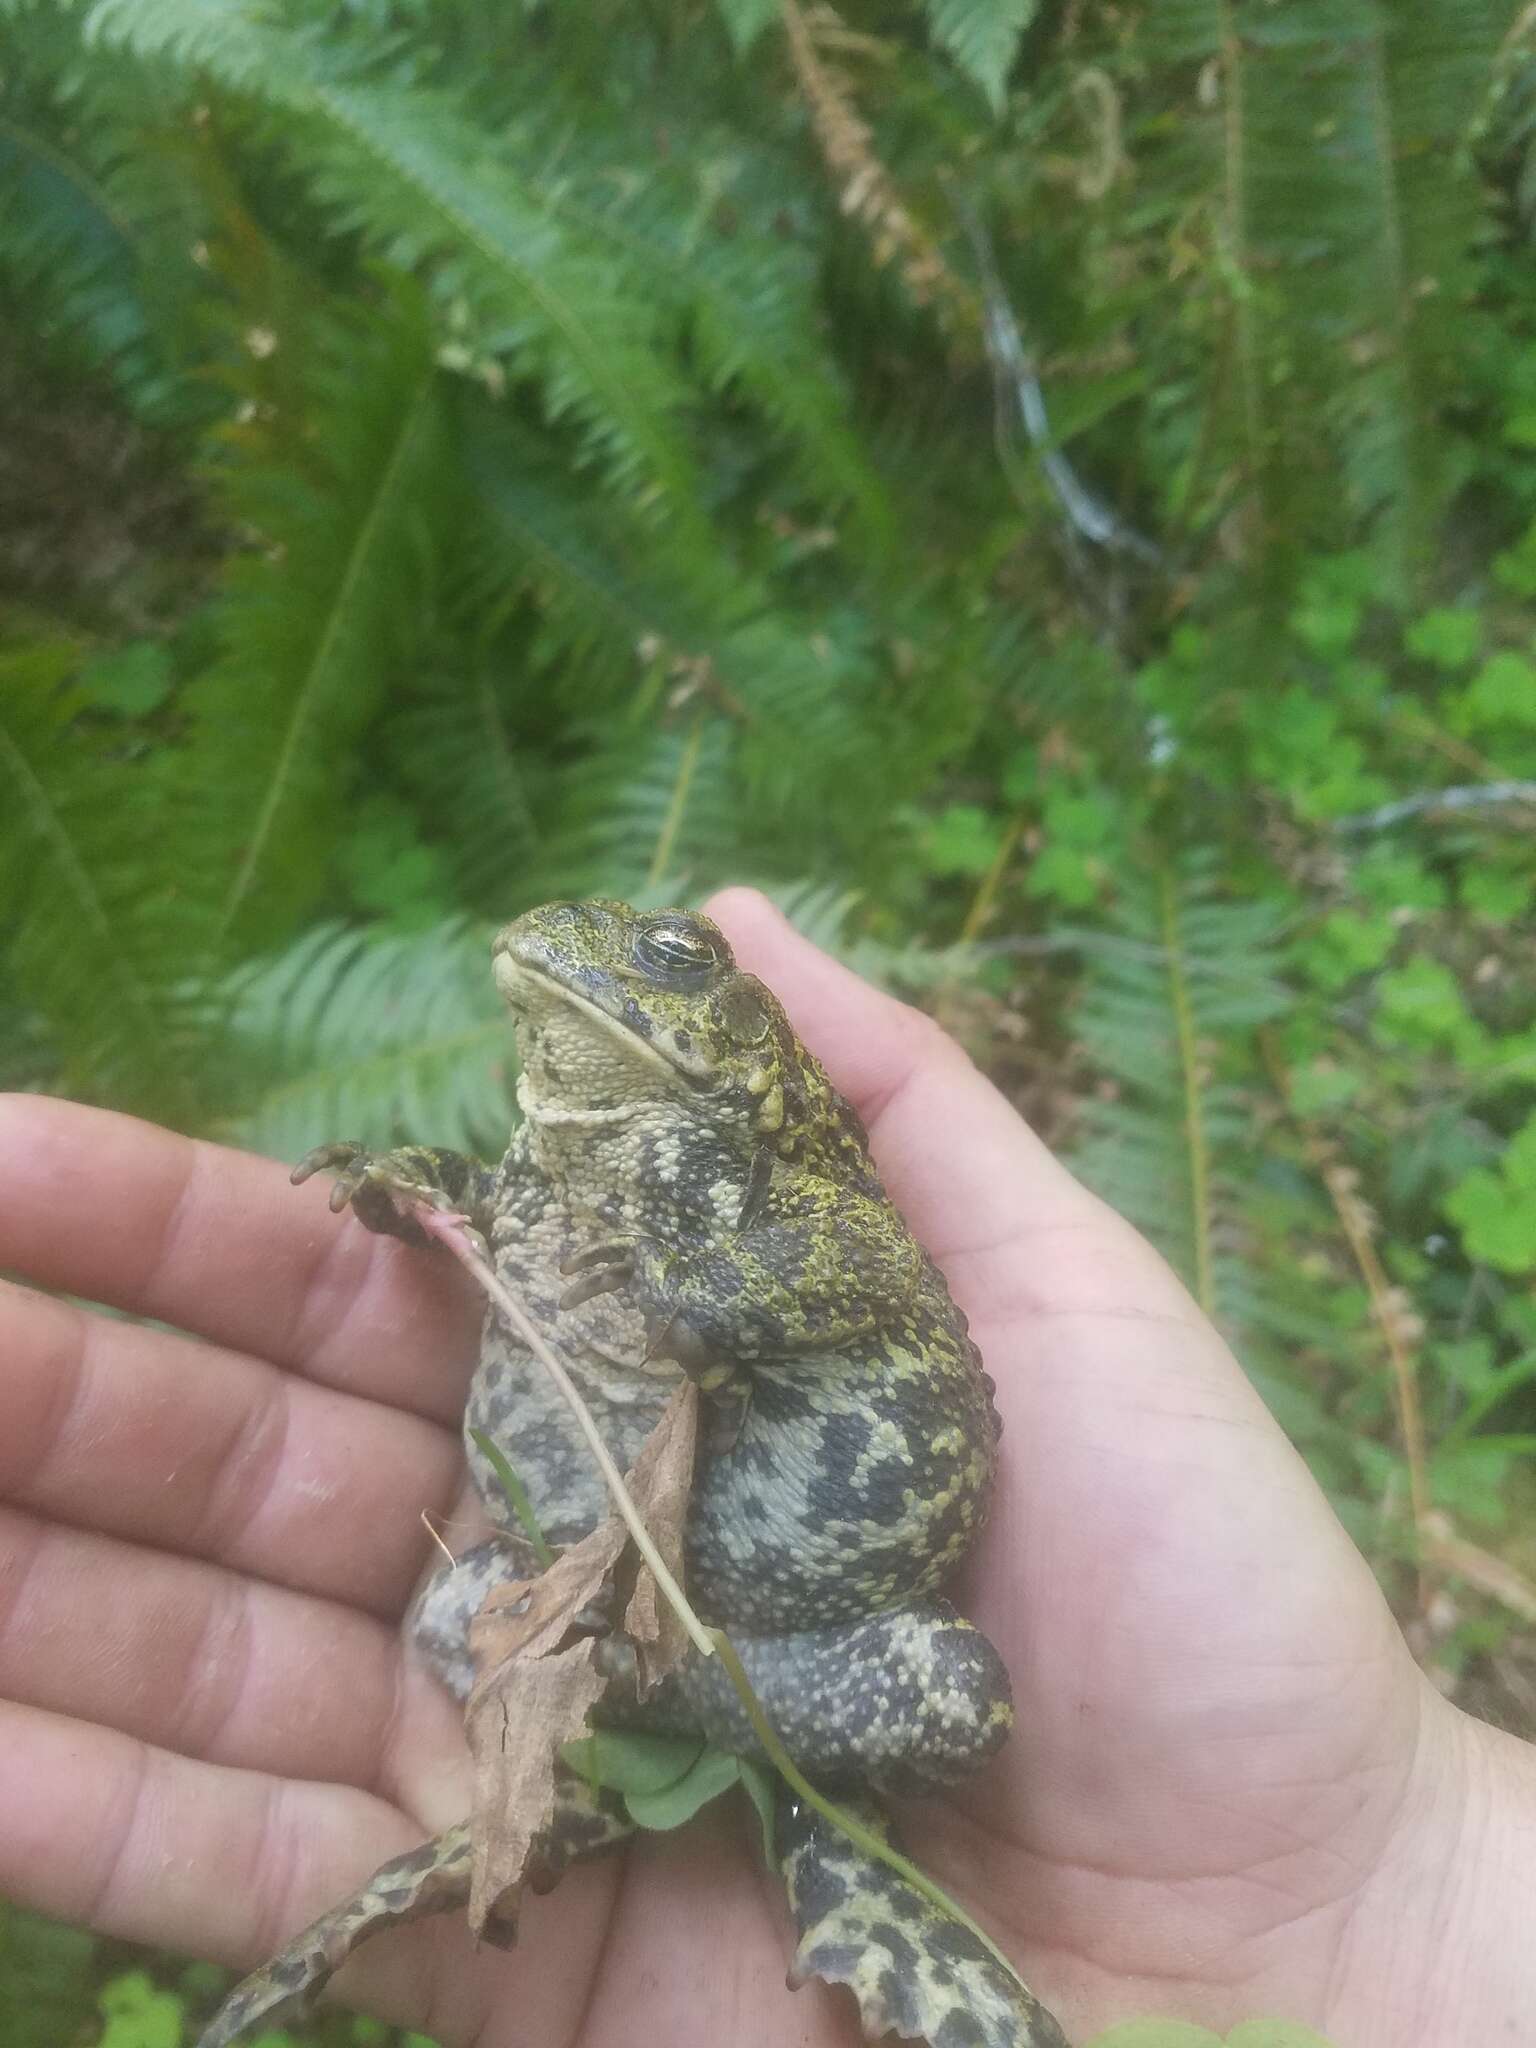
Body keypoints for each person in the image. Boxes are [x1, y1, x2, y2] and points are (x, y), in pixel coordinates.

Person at [0, 889, 1530, 2048]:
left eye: (664, 957)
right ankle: (618, 1679)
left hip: (828, 1614)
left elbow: (859, 1281)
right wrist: (418, 1188)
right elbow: (515, 1233)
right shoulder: (584, 1160)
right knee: (443, 1617)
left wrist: (1396, 1882)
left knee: (949, 1692)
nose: (582, 959)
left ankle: (642, 1688)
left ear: (735, 1023)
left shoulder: (790, 1174)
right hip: (640, 1540)